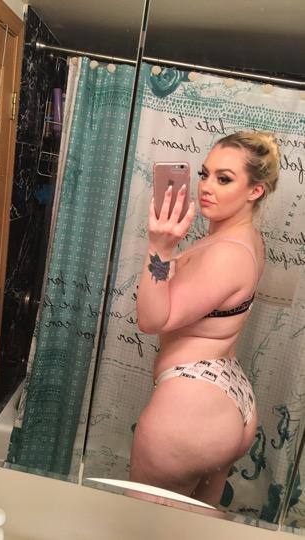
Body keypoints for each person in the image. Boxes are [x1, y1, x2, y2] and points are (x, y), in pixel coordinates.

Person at [129, 131, 280, 505]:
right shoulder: (244, 237)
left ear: (255, 191)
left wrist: (160, 248)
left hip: (192, 408)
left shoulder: (227, 254)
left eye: (224, 179)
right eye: (204, 174)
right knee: (192, 527)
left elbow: (152, 319)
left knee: (141, 525)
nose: (206, 187)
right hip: (223, 393)